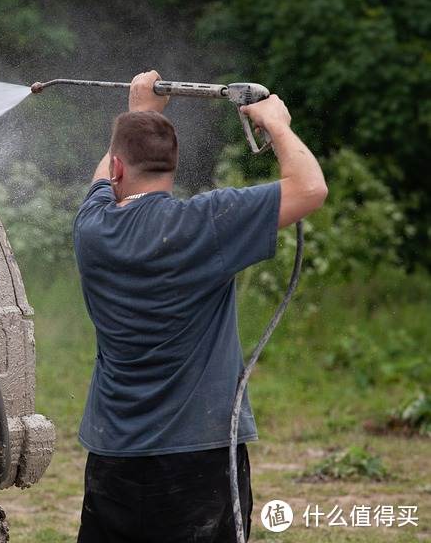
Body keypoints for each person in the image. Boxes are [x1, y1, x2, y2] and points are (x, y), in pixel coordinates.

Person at [74, 70, 327, 542]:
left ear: (118, 170)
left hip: (114, 458)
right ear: (173, 166)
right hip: (199, 459)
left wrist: (140, 113)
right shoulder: (207, 223)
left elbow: (103, 179)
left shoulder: (91, 229)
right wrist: (277, 124)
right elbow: (310, 189)